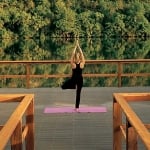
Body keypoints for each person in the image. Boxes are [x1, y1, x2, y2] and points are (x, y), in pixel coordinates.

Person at [61, 40, 85, 112]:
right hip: (79, 79)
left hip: (74, 79)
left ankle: (77, 107)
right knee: (78, 93)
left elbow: (73, 55)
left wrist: (75, 47)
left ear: (75, 58)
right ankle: (77, 107)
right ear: (79, 58)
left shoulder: (73, 64)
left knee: (63, 86)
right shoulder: (82, 64)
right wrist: (78, 46)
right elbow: (82, 54)